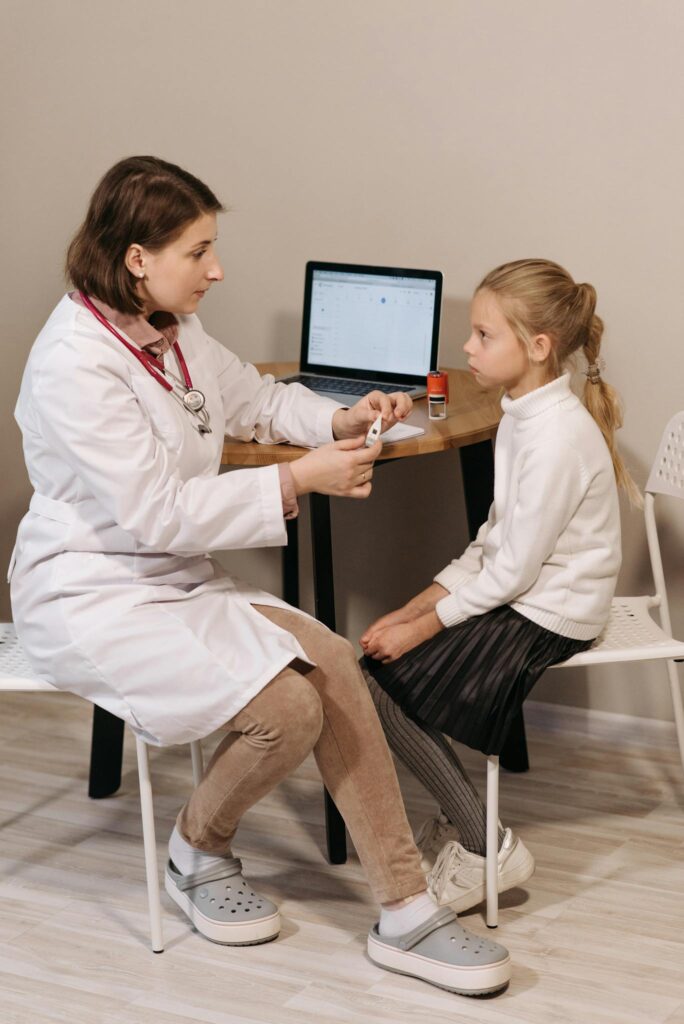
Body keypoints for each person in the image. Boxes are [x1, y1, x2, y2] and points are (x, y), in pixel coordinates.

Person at [9, 156, 512, 997]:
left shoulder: (170, 328)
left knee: (334, 662)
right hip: (90, 590)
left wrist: (340, 417)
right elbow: (155, 513)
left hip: (170, 577)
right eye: (198, 250)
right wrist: (295, 481)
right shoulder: (74, 363)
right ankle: (198, 849)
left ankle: (406, 912)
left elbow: (252, 400)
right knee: (286, 708)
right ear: (138, 258)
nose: (217, 269)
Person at [361, 258, 634, 911]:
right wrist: (414, 606)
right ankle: (468, 828)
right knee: (376, 668)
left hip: (553, 610)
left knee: (381, 687)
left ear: (537, 348)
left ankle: (488, 847)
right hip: (527, 590)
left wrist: (422, 627)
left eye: (484, 335)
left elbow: (513, 572)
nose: (466, 347)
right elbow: (494, 539)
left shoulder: (558, 437)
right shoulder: (520, 413)